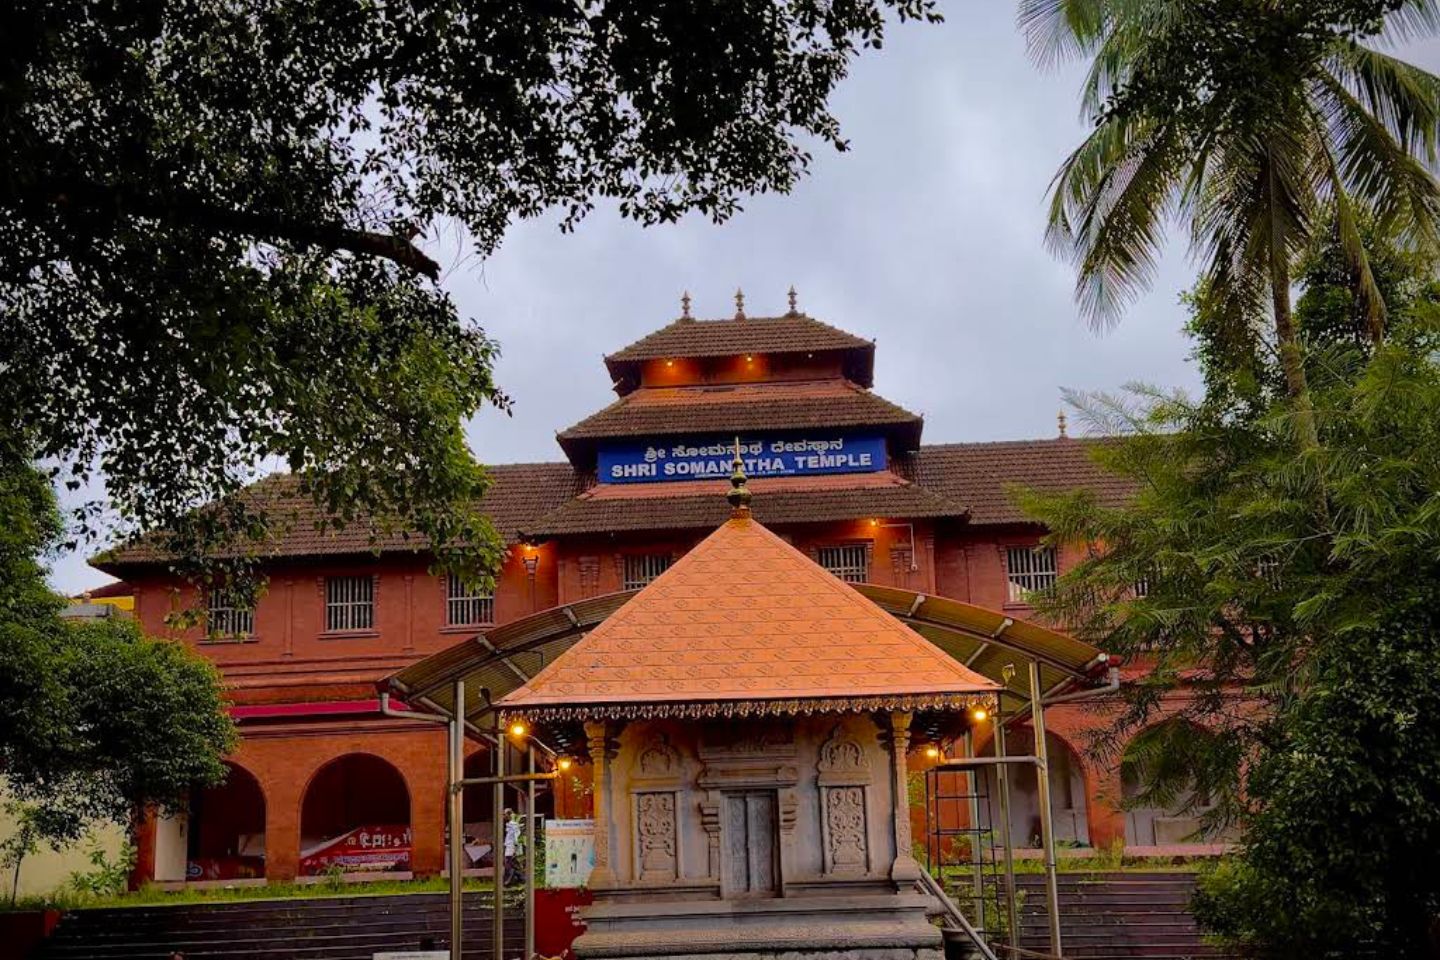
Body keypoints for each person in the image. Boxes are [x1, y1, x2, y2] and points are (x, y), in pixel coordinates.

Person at [502, 808, 523, 886]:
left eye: (505, 815)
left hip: (512, 846)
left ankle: (509, 881)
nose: (504, 816)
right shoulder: (509, 825)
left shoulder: (513, 825)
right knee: (512, 863)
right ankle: (520, 878)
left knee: (508, 863)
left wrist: (515, 846)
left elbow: (516, 836)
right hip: (509, 845)